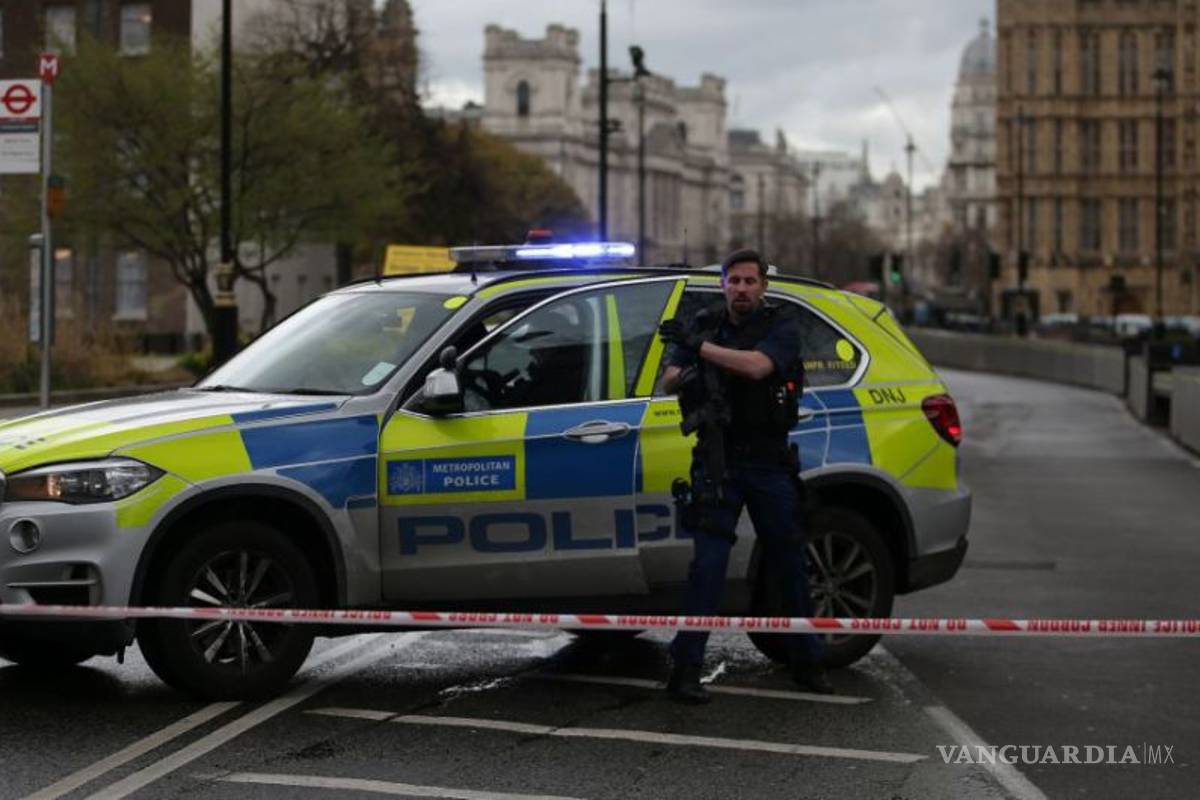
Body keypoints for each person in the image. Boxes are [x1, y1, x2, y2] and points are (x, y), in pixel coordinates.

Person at [658, 248, 833, 704]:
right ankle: (687, 667)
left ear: (763, 286)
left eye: (749, 281)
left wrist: (701, 350)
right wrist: (690, 356)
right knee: (708, 567)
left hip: (769, 461)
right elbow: (669, 380)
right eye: (733, 281)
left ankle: (807, 660)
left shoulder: (780, 326)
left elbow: (758, 367)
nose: (741, 289)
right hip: (719, 459)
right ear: (723, 284)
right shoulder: (703, 324)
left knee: (790, 561)